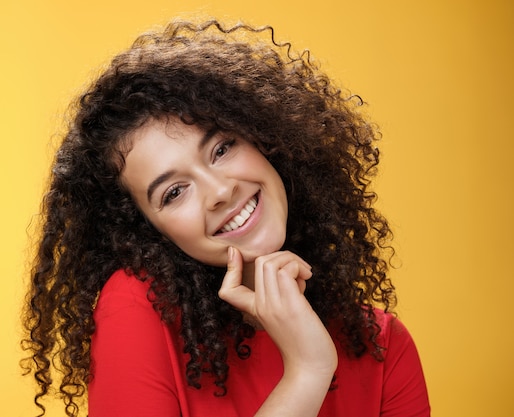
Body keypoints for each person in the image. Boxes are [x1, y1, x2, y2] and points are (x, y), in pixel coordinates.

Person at [22, 19, 430, 417]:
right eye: (174, 192)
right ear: (147, 230)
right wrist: (307, 373)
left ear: (266, 137)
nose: (220, 192)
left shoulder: (383, 347)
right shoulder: (134, 310)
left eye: (221, 149)